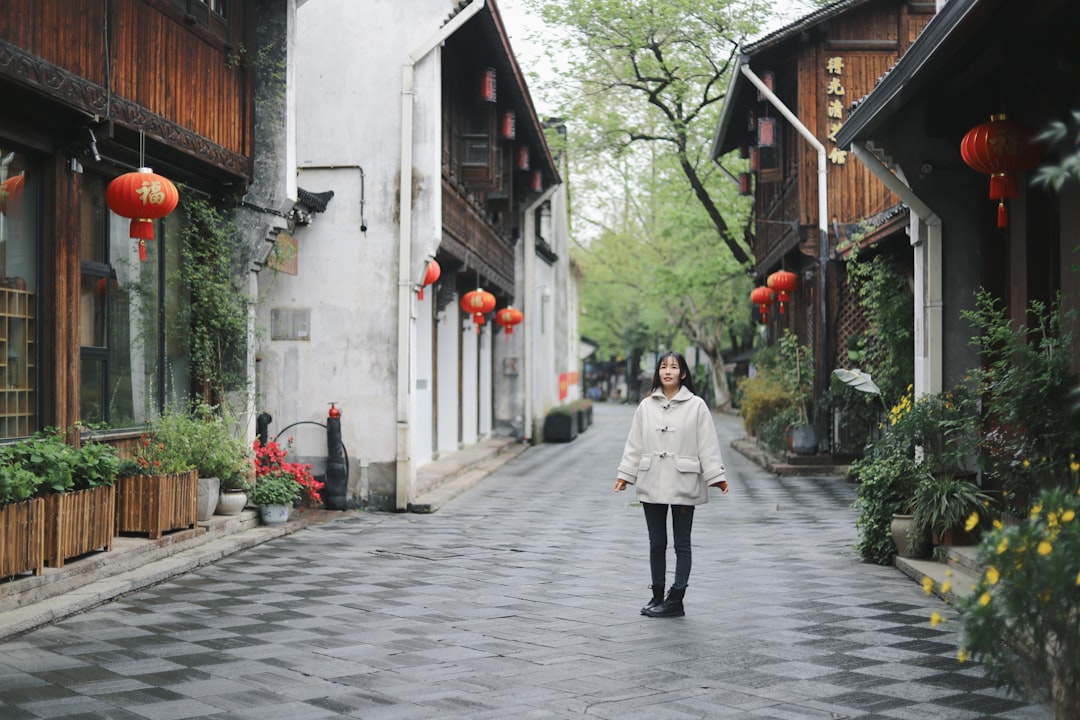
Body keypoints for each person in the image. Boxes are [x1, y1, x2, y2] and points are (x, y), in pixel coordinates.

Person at [614, 351, 728, 618]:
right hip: (652, 478)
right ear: (658, 372)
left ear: (683, 373)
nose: (668, 371)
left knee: (682, 544)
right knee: (656, 543)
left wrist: (716, 476)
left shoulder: (697, 405)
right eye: (663, 367)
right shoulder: (645, 406)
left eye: (674, 367)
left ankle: (675, 599)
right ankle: (657, 595)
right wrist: (624, 475)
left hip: (683, 480)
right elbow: (634, 444)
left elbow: (707, 444)